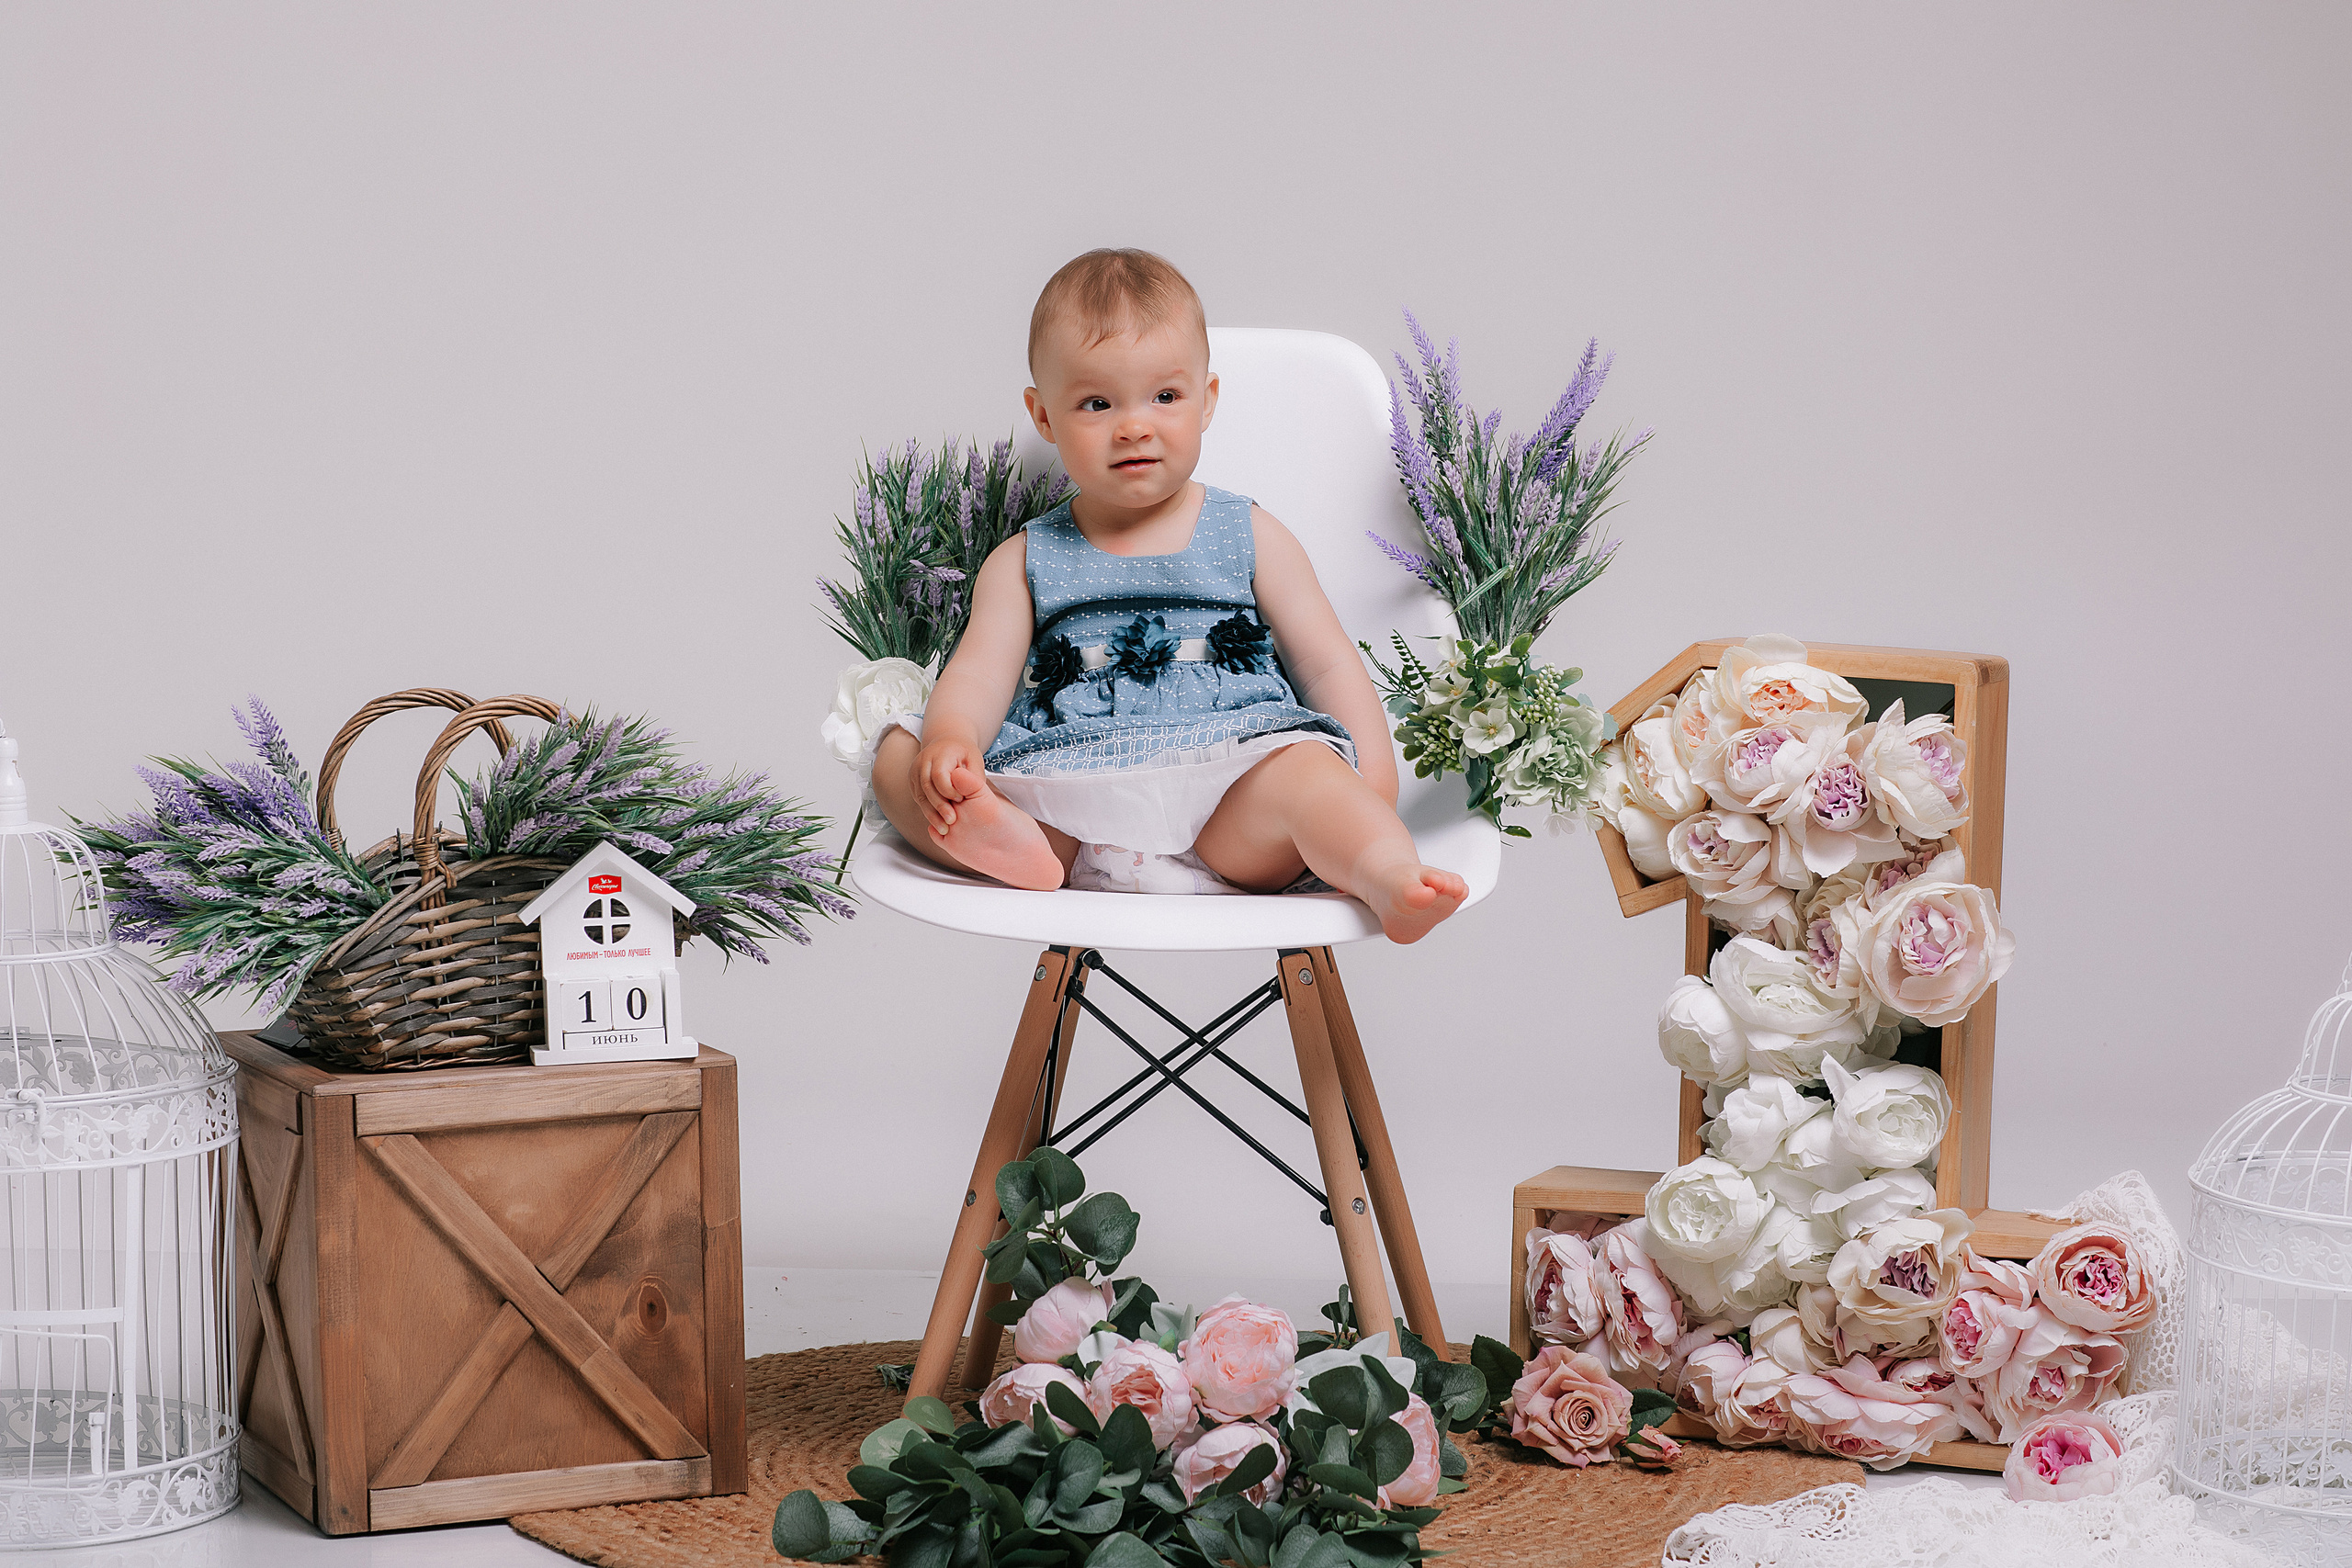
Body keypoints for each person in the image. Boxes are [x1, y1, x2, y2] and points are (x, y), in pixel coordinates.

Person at [868, 249, 1467, 943]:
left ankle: (1385, 872)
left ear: (1207, 400)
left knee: (1309, 774)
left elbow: (1327, 662)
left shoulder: (1249, 533)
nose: (1134, 426)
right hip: (1069, 793)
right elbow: (977, 674)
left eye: (1165, 397)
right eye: (1097, 403)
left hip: (1231, 792)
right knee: (897, 758)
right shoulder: (1024, 558)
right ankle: (1009, 843)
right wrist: (951, 741)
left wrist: (1372, 784)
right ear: (1044, 415)